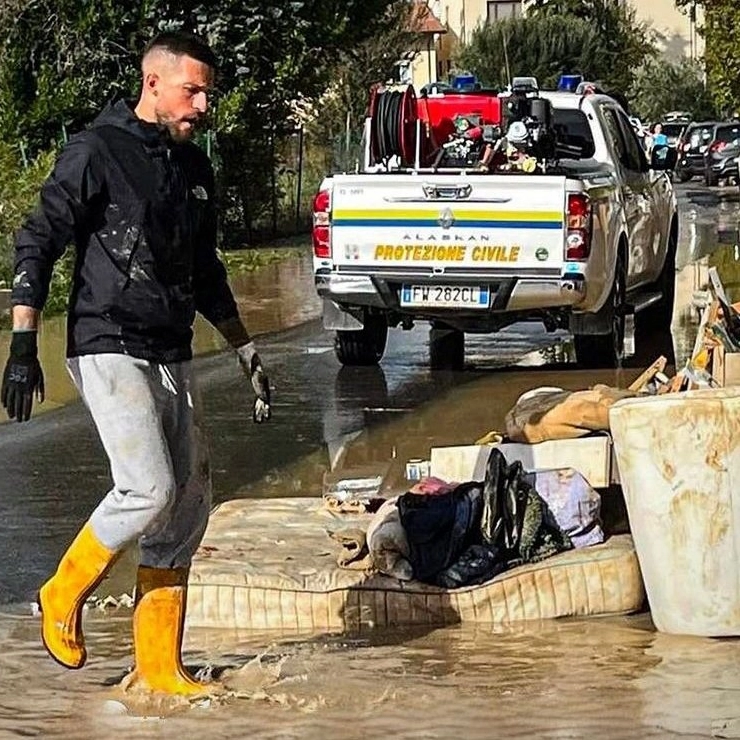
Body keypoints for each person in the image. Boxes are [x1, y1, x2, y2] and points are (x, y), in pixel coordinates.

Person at [0, 31, 271, 696]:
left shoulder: (193, 170)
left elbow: (206, 272)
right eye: (193, 89)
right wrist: (22, 342)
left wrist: (245, 349)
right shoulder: (97, 150)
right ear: (154, 84)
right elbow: (38, 240)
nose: (205, 103)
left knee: (187, 506)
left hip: (171, 347)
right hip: (107, 339)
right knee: (147, 488)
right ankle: (62, 593)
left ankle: (159, 671)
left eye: (209, 90)